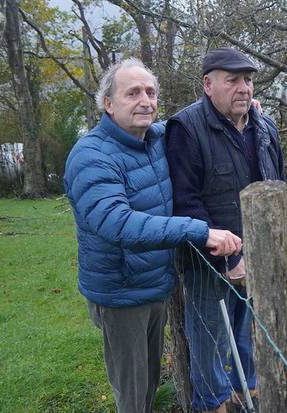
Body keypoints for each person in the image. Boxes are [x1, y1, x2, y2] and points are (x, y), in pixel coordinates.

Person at [64, 58, 243, 413]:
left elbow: (194, 122)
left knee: (149, 383)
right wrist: (199, 232)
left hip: (154, 286)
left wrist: (238, 105)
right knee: (133, 394)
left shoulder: (155, 138)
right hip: (120, 295)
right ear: (108, 104)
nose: (144, 100)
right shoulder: (91, 156)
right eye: (132, 93)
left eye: (150, 92)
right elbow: (118, 223)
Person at [166, 47, 285, 413]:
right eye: (232, 80)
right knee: (210, 338)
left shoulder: (264, 126)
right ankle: (213, 403)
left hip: (255, 255)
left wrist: (260, 250)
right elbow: (185, 201)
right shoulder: (186, 128)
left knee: (247, 331)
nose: (243, 88)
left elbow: (275, 184)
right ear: (208, 84)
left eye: (248, 80)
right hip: (208, 259)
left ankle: (246, 392)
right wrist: (229, 255)